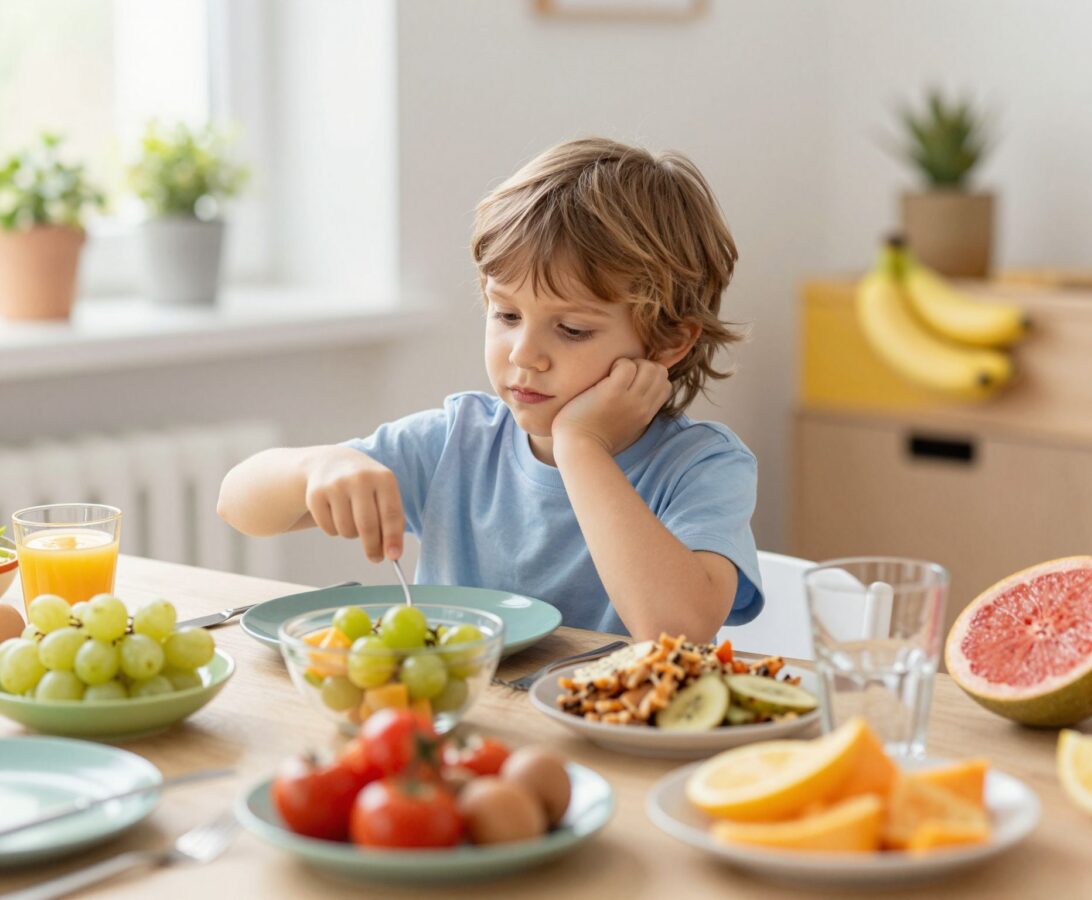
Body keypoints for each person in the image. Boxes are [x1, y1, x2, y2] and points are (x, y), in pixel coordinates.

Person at [218, 137, 762, 641]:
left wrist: (581, 444)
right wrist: (315, 467)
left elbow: (677, 630)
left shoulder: (702, 467)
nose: (524, 353)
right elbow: (237, 505)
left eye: (572, 329)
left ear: (670, 342)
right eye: (506, 313)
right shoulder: (459, 441)